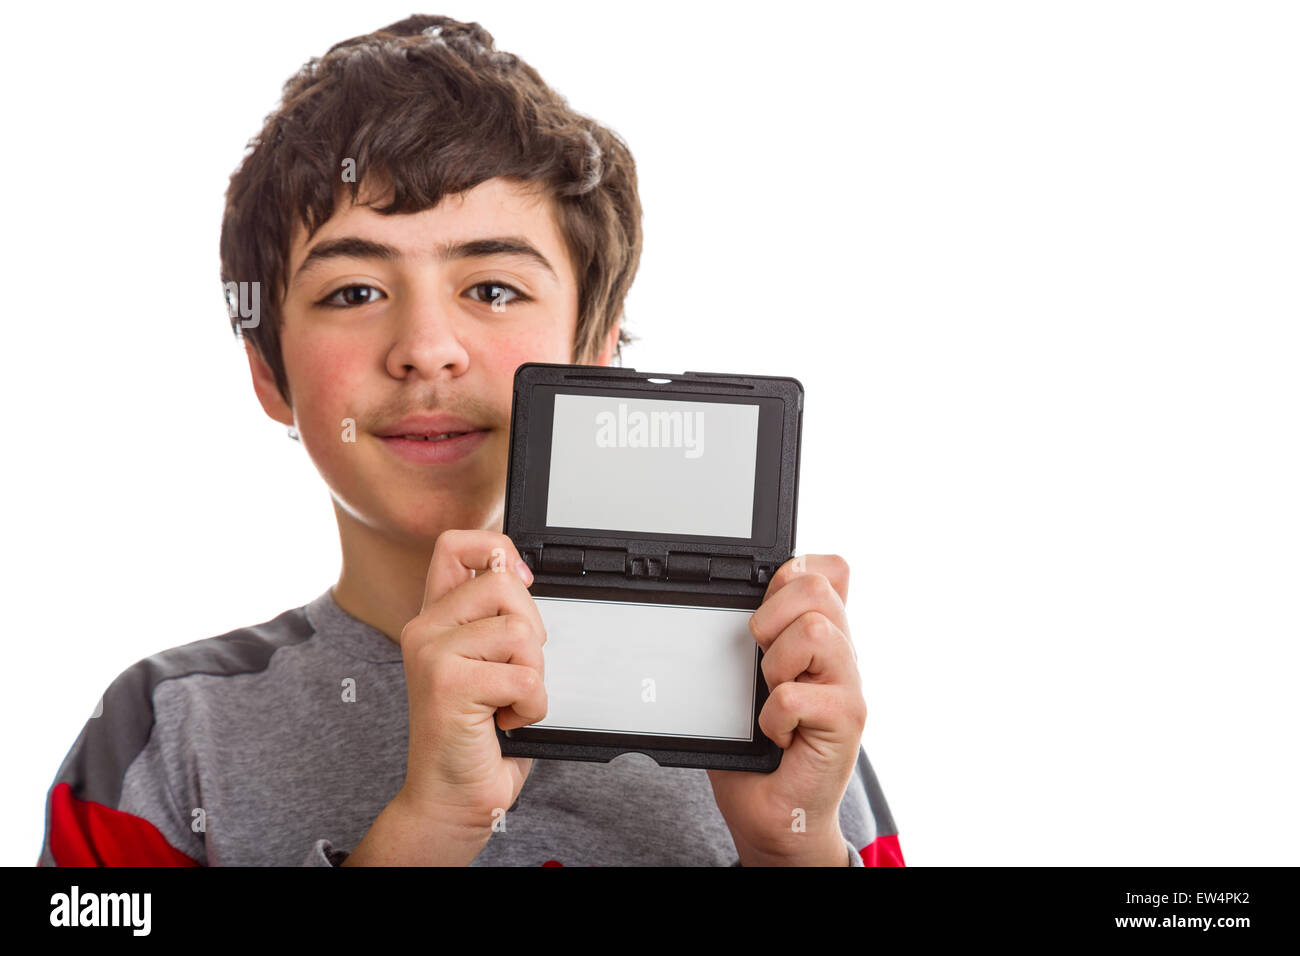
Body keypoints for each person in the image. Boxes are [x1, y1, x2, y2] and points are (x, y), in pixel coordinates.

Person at [38, 13, 904, 867]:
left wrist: (791, 852)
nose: (425, 350)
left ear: (594, 360)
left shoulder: (778, 717)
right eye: (351, 292)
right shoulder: (162, 736)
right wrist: (426, 830)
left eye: (492, 290)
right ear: (271, 376)